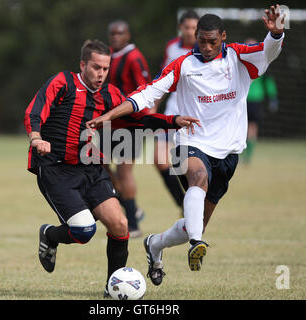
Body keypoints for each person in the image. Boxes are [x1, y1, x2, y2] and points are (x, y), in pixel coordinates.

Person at [86, 5, 285, 286]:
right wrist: (109, 115)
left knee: (196, 222)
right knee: (197, 178)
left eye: (212, 41)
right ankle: (196, 243)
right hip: (188, 142)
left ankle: (156, 244)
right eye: (201, 40)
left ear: (223, 37)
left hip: (228, 152)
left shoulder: (239, 58)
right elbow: (146, 93)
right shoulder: (183, 64)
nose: (205, 46)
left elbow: (267, 52)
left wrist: (275, 34)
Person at [24, 39, 200, 296]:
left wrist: (172, 120)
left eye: (105, 69)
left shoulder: (110, 95)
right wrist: (37, 138)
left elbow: (137, 119)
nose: (101, 74)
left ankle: (112, 289)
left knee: (120, 224)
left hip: (90, 165)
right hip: (55, 168)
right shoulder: (63, 82)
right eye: (96, 67)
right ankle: (50, 236)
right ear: (83, 65)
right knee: (84, 231)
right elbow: (36, 109)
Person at [103, 19, 152, 238]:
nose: (115, 36)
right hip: (108, 122)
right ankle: (131, 205)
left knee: (124, 170)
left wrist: (150, 116)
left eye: (119, 33)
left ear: (128, 35)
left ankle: (132, 224)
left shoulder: (134, 57)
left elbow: (148, 88)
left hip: (130, 124)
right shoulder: (109, 56)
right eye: (112, 33)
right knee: (99, 164)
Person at [152, 10, 200, 215]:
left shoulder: (207, 50)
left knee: (189, 165)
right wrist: (154, 105)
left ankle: (195, 207)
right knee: (159, 159)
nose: (190, 32)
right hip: (172, 112)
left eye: (194, 28)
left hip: (196, 115)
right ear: (180, 28)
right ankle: (183, 204)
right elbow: (164, 78)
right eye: (187, 27)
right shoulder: (172, 48)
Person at [241, 38, 279, 164]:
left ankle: (248, 156)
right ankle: (240, 153)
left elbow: (269, 82)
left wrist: (273, 97)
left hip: (255, 100)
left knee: (251, 127)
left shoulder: (263, 63)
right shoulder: (240, 62)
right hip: (241, 100)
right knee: (242, 127)